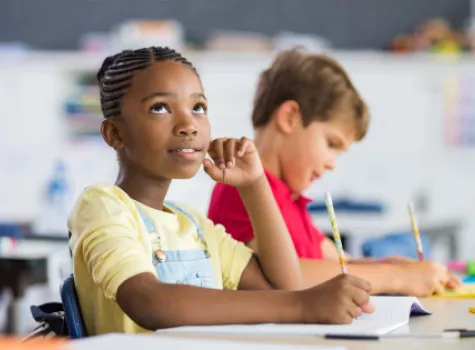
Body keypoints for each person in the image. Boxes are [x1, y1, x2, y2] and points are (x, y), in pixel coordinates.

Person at [67, 47, 374, 335]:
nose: (189, 125)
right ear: (114, 133)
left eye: (198, 107)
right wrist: (303, 306)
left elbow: (285, 286)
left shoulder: (195, 226)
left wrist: (255, 186)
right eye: (160, 108)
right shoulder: (104, 206)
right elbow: (149, 302)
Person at [208, 48, 460, 297]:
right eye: (331, 144)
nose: (332, 163)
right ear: (290, 118)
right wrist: (398, 278)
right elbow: (286, 277)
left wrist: (389, 267)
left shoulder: (289, 198)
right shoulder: (244, 189)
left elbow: (338, 262)